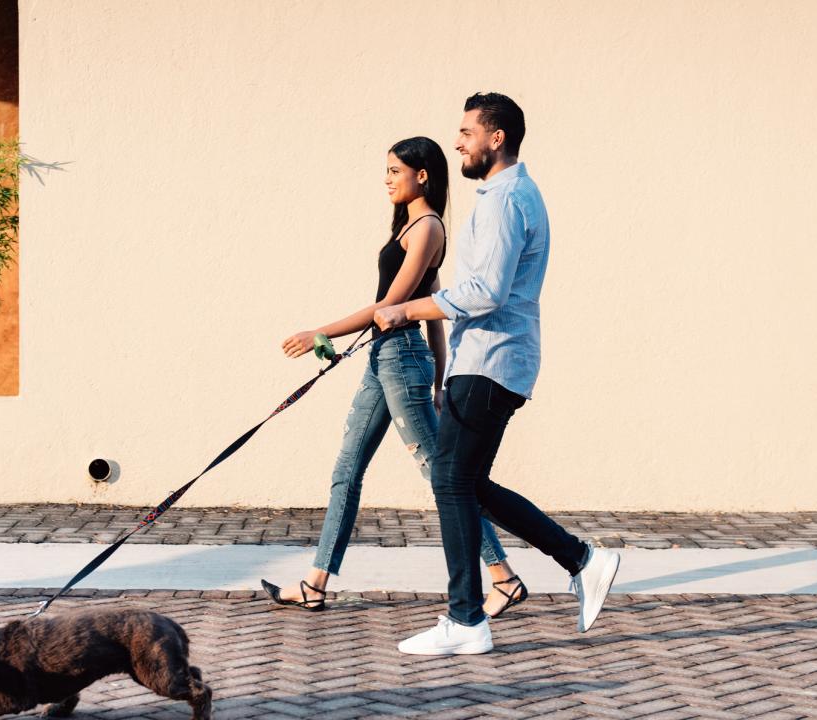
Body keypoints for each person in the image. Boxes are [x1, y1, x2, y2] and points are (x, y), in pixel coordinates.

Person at [376, 94, 621, 655]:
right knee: (465, 482)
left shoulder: (507, 199)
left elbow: (485, 292)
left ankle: (467, 620)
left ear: (498, 137)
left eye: (467, 132)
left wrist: (408, 308)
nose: (457, 142)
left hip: (491, 360)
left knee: (451, 480)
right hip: (487, 360)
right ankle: (582, 559)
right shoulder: (504, 195)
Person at [260, 136, 529, 617]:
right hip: (386, 360)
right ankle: (315, 583)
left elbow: (394, 307)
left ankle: (503, 577)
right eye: (384, 171)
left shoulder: (427, 228)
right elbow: (436, 303)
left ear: (421, 175)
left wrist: (319, 331)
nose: (386, 179)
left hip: (401, 361)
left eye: (394, 170)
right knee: (347, 469)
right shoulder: (410, 229)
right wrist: (442, 375)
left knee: (443, 476)